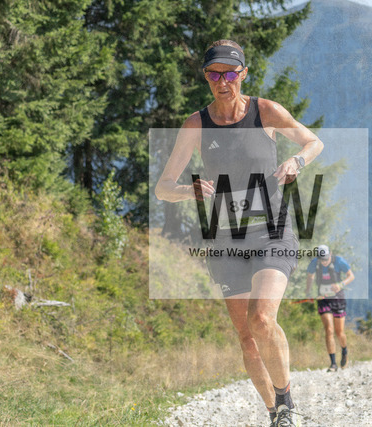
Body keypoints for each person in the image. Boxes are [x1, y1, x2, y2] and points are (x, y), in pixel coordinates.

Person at [155, 40, 324, 427]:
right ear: (206, 77)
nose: (222, 82)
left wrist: (296, 160)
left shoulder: (266, 111)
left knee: (262, 319)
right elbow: (163, 187)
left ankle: (286, 402)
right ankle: (275, 414)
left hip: (272, 230)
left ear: (243, 74)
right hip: (226, 238)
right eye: (213, 75)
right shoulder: (197, 124)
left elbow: (314, 141)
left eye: (230, 74)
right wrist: (186, 190)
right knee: (247, 337)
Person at [305, 245, 355, 372]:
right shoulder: (314, 263)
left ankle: (344, 351)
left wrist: (341, 284)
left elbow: (351, 276)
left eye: (326, 258)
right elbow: (310, 276)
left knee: (339, 332)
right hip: (323, 298)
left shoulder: (339, 261)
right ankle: (333, 363)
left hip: (338, 298)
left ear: (330, 254)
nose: (324, 261)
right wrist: (308, 292)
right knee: (329, 329)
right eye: (321, 259)